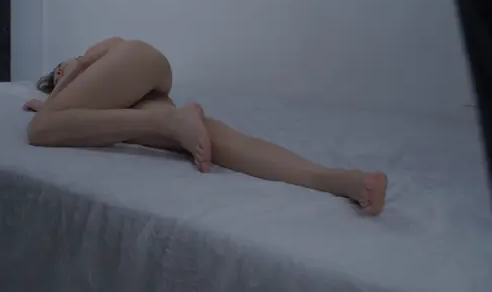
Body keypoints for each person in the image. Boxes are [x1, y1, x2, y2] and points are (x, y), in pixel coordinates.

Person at [24, 37, 388, 216]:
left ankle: (166, 121)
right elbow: (77, 120)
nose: (60, 77)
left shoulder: (88, 59)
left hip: (139, 59)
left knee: (39, 130)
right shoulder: (100, 100)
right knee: (209, 139)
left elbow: (58, 108)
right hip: (147, 82)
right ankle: (335, 180)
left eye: (57, 74)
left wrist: (60, 89)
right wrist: (52, 108)